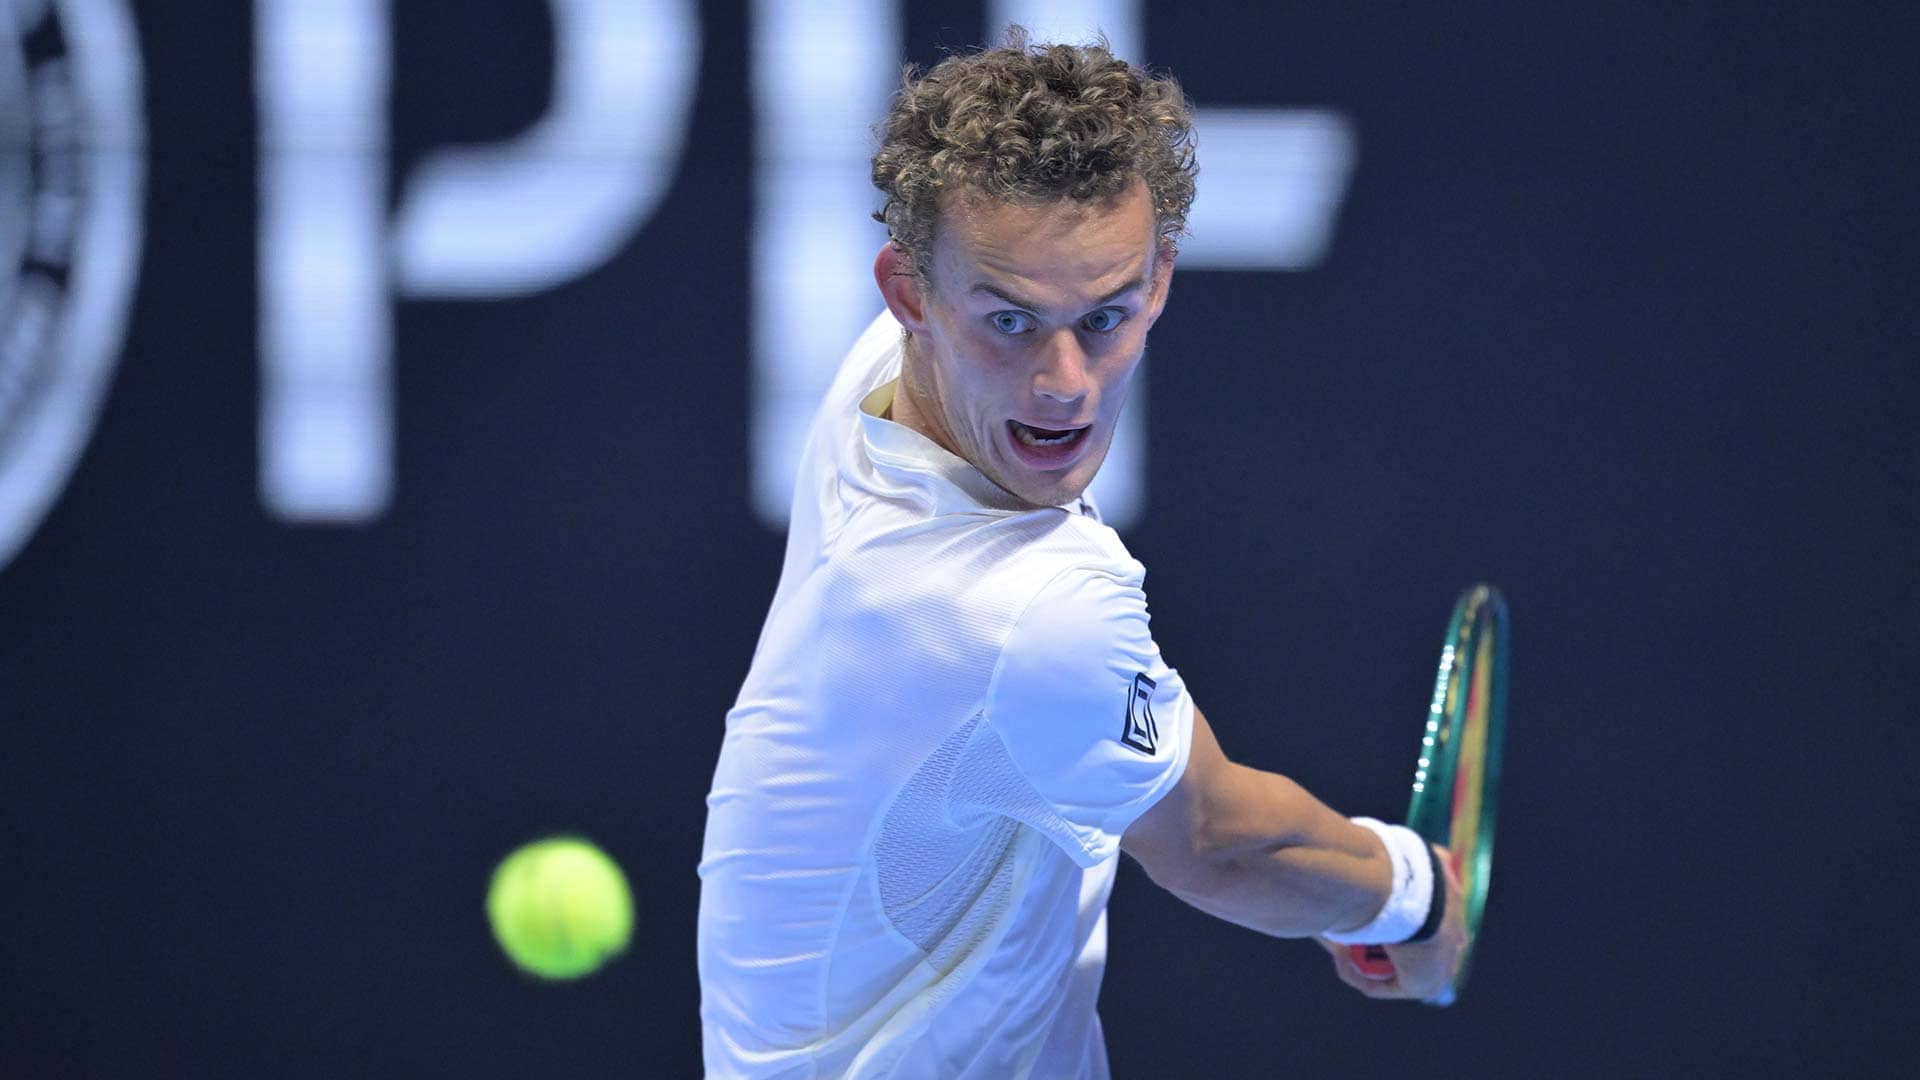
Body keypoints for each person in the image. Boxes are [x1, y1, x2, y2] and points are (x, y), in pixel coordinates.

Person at [698, 30, 1467, 1078]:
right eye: (1011, 320)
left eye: (1103, 318)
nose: (1066, 383)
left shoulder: (890, 380)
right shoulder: (1023, 609)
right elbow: (1214, 839)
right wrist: (1411, 894)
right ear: (909, 291)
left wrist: (1340, 895)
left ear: (1160, 279)